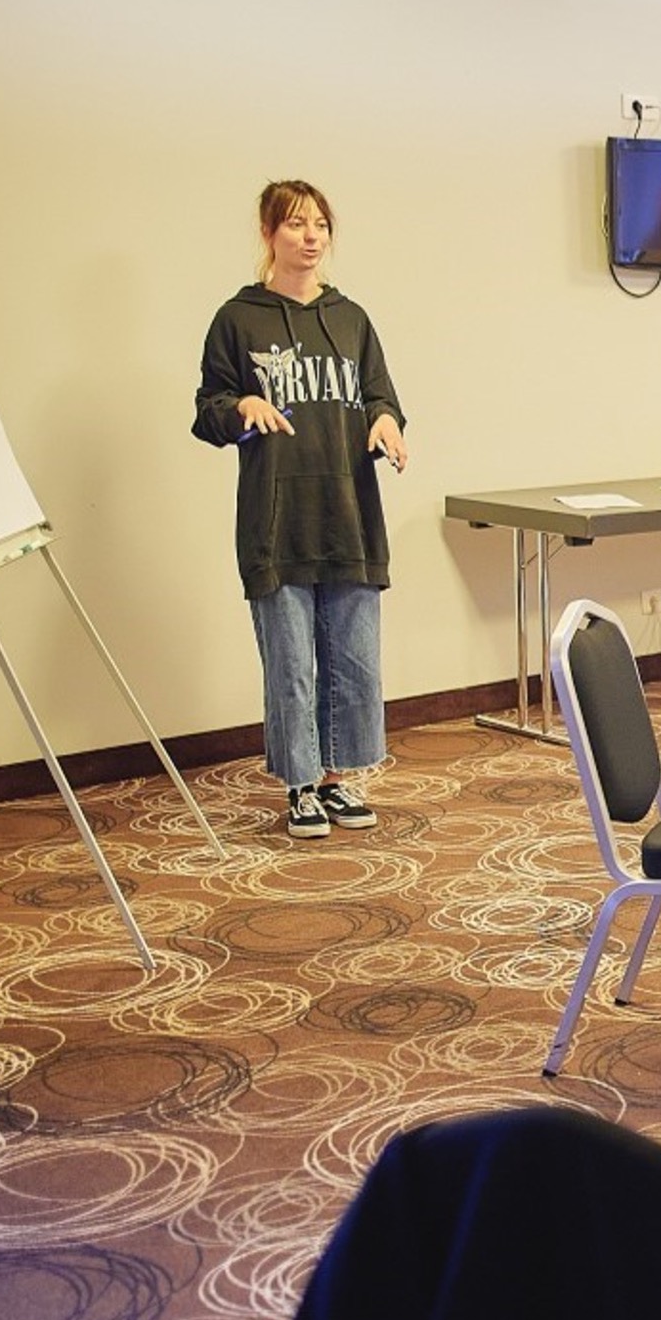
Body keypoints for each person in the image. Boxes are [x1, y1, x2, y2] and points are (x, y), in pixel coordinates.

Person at [192, 179, 407, 839]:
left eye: (319, 224)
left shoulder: (350, 318)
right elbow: (209, 408)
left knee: (352, 659)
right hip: (277, 520)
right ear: (268, 235)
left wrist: (386, 424)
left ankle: (339, 779)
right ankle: (300, 785)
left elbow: (381, 396)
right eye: (295, 224)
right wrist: (242, 409)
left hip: (348, 513)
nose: (310, 237)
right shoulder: (239, 318)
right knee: (290, 662)